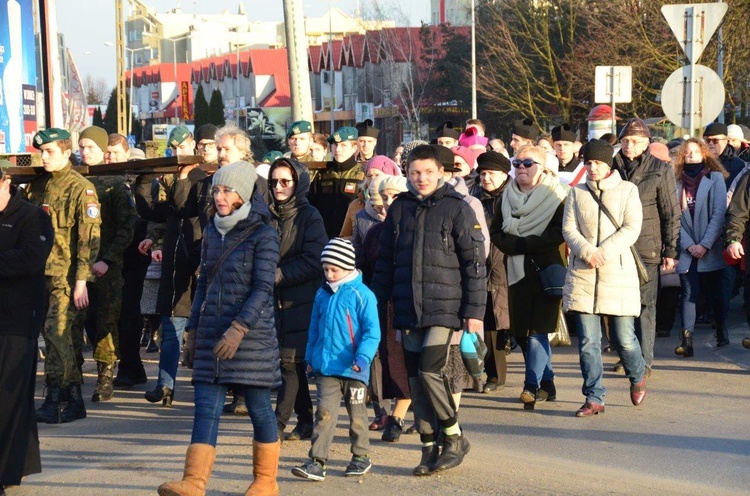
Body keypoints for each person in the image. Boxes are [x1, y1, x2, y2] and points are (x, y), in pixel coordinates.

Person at [158, 162, 281, 496]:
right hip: (212, 332)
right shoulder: (211, 230)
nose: (220, 196)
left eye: (227, 190)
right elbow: (203, 285)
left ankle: (266, 481)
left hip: (251, 337)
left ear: (242, 194)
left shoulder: (265, 234)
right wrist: (193, 331)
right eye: (216, 189)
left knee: (258, 408)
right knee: (206, 408)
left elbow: (263, 288)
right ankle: (194, 482)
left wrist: (240, 328)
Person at [371, 144, 486, 475]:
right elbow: (386, 263)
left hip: (445, 309)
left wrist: (474, 312)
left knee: (429, 372)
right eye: (415, 172)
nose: (421, 178)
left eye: (428, 172)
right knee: (415, 382)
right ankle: (427, 447)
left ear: (441, 173)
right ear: (406, 173)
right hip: (407, 308)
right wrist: (373, 304)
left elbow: (474, 265)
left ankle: (453, 435)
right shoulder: (399, 209)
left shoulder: (457, 208)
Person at [562, 139, 647, 417]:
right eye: (588, 162)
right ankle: (594, 396)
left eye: (598, 162)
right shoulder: (576, 193)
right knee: (588, 342)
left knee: (624, 339)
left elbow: (632, 227)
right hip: (584, 274)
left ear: (608, 164)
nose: (592, 167)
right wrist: (586, 251)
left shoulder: (627, 190)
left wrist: (604, 252)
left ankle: (637, 374)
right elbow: (569, 229)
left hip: (617, 273)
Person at [25, 128, 101, 424]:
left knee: (58, 334)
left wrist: (82, 280)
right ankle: (66, 397)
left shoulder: (81, 189)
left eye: (50, 152)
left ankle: (61, 396)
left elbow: (89, 238)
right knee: (54, 336)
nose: (43, 157)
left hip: (66, 277)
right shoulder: (37, 186)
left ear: (67, 153)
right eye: (41, 152)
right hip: (39, 274)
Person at [292, 238, 380, 481]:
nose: (329, 274)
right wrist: (310, 358)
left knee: (357, 415)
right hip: (326, 368)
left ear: (348, 267)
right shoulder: (322, 294)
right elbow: (314, 330)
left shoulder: (363, 295)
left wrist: (363, 358)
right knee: (324, 414)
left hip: (354, 369)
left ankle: (361, 456)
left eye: (334, 269)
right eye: (326, 269)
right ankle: (317, 461)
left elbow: (372, 332)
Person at [490, 145, 567, 412]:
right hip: (516, 271)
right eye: (517, 162)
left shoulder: (558, 196)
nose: (521, 168)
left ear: (543, 168)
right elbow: (496, 232)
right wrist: (516, 246)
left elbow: (559, 233)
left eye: (528, 163)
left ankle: (530, 386)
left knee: (537, 333)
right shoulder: (505, 197)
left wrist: (523, 244)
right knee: (523, 334)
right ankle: (548, 381)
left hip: (546, 271)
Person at [133, 126, 203, 408]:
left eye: (183, 147)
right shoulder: (170, 179)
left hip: (202, 258)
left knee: (207, 327)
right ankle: (165, 385)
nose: (178, 154)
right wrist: (145, 178)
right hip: (177, 261)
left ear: (194, 145)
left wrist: (183, 178)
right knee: (172, 323)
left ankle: (216, 385)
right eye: (173, 149)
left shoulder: (202, 176)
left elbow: (185, 208)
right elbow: (154, 213)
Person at [611, 118, 680, 377]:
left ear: (647, 143)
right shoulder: (610, 165)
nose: (629, 145)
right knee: (618, 306)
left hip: (646, 246)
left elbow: (671, 213)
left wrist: (671, 251)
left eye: (636, 141)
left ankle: (645, 360)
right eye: (626, 140)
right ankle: (626, 355)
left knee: (644, 306)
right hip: (614, 245)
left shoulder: (660, 169)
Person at [267, 158, 327, 443]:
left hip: (301, 299)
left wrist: (278, 275)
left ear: (297, 184)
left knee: (289, 363)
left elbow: (315, 260)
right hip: (273, 299)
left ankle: (276, 425)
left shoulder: (309, 215)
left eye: (285, 182)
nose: (278, 187)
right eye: (274, 181)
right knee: (292, 363)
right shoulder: (266, 213)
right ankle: (305, 420)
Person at [0, 162, 52, 493]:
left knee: (9, 399)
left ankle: (5, 474)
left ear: (5, 181)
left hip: (16, 319)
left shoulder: (32, 217)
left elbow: (29, 259)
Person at [76, 126, 136, 402]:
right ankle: (72, 373)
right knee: (76, 322)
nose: (85, 152)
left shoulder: (114, 183)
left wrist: (108, 260)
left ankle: (104, 377)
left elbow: (126, 227)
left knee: (106, 321)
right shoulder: (74, 179)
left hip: (106, 266)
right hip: (77, 265)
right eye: (82, 147)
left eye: (90, 147)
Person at [361, 175, 412, 442]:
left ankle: (398, 417)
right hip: (380, 305)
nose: (387, 202)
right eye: (384, 196)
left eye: (394, 196)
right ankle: (384, 412)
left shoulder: (414, 228)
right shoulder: (374, 233)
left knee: (405, 363)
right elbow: (366, 272)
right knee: (382, 361)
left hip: (408, 305)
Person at [672, 139, 730, 357]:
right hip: (688, 247)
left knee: (716, 292)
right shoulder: (675, 181)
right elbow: (674, 218)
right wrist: (688, 245)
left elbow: (718, 214)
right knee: (689, 292)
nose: (691, 155)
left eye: (696, 151)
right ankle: (686, 340)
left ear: (705, 154)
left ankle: (721, 329)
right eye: (687, 152)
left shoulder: (715, 178)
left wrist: (704, 244)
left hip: (710, 246)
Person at [474, 151, 512, 393]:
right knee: (489, 323)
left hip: (509, 264)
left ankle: (538, 379)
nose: (486, 178)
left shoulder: (515, 196)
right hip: (484, 266)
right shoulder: (474, 198)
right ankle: (494, 375)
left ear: (504, 175)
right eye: (483, 173)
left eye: (491, 174)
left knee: (509, 322)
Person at [309, 126, 365, 238]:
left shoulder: (362, 174)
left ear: (354, 148)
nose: (337, 149)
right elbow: (312, 205)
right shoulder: (323, 174)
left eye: (343, 145)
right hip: (323, 237)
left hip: (352, 238)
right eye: (335, 144)